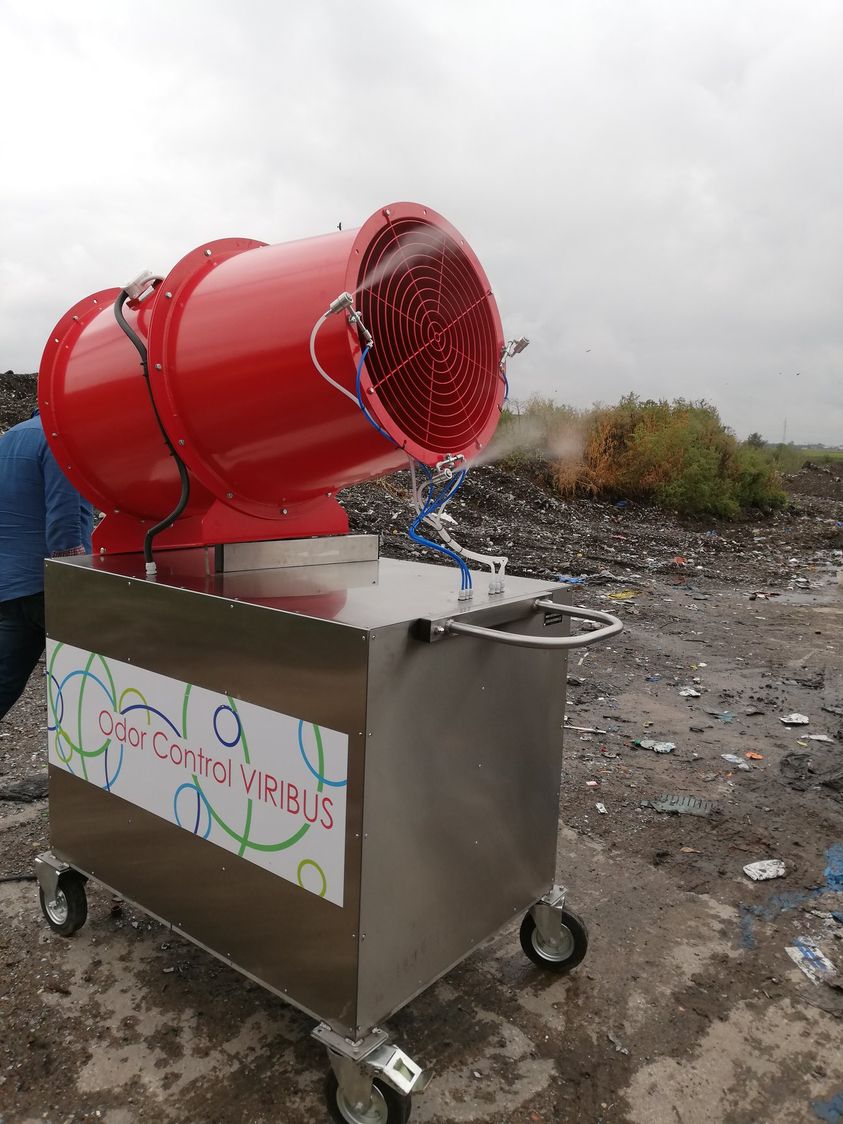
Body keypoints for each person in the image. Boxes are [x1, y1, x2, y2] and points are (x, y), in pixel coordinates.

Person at [0, 411, 93, 721]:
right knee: (88, 680)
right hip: (49, 586)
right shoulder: (59, 438)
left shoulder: (11, 436)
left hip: (10, 584)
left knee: (5, 680)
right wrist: (76, 584)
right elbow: (64, 524)